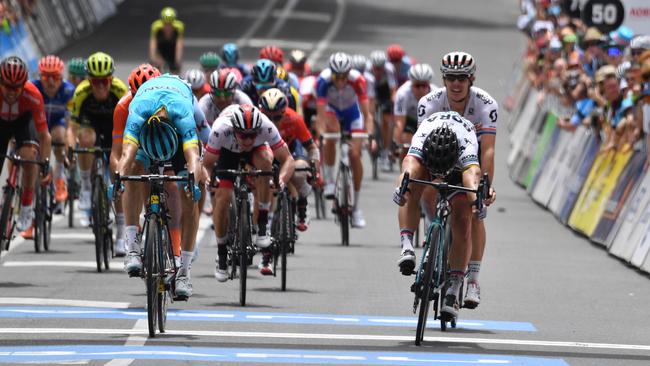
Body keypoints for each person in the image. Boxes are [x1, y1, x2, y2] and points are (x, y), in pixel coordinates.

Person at [416, 51, 497, 309]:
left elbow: (488, 150)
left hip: (470, 162)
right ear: (443, 79)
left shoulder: (485, 104)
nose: (456, 83)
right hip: (438, 157)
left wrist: (485, 187)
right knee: (427, 193)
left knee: (474, 213)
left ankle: (472, 279)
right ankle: (434, 230)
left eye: (461, 78)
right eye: (451, 78)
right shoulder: (429, 102)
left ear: (471, 79)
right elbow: (422, 146)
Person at [116, 74, 204, 298]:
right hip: (148, 132)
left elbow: (193, 155)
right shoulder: (137, 110)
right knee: (134, 167)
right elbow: (126, 154)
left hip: (175, 132)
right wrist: (118, 176)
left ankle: (184, 271)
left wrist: (193, 181)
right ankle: (133, 246)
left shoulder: (184, 112)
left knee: (189, 192)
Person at [393, 111, 487, 319]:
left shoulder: (466, 145)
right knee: (412, 187)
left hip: (458, 170)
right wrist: (401, 188)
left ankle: (454, 288)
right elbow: (408, 167)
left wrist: (477, 203)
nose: (439, 176)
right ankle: (407, 245)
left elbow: (472, 176)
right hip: (429, 157)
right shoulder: (422, 136)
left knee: (463, 219)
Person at [203, 104, 295, 279]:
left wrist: (281, 180)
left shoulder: (266, 126)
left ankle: (261, 227)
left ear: (258, 130)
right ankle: (222, 253)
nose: (247, 140)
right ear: (234, 129)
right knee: (222, 198)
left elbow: (288, 159)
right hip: (227, 152)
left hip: (257, 152)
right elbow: (206, 165)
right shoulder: (221, 128)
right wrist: (209, 180)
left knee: (267, 163)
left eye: (252, 135)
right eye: (243, 135)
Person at [66, 52, 127, 227]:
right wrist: (71, 148)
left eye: (104, 81)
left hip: (114, 128)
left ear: (111, 79)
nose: (100, 87)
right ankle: (85, 185)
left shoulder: (120, 90)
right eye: (95, 82)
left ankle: (122, 231)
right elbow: (72, 128)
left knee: (117, 178)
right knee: (85, 138)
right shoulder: (81, 92)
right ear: (89, 81)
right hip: (90, 125)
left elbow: (130, 125)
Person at [316, 52, 375, 228]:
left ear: (349, 73)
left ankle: (356, 208)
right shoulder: (323, 81)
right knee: (331, 133)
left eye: (344, 77)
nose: (341, 81)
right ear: (331, 72)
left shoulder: (358, 80)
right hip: (332, 111)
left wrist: (369, 136)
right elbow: (320, 117)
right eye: (337, 76)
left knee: (355, 155)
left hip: (352, 114)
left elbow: (367, 114)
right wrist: (321, 135)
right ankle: (329, 181)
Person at [110, 63, 162, 256]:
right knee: (133, 168)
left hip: (162, 141)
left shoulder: (169, 102)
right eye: (137, 97)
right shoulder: (123, 107)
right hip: (136, 143)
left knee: (171, 184)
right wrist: (118, 177)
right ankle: (131, 236)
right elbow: (117, 152)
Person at [0, 56, 52, 236]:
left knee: (30, 157)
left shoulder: (33, 94)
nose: (12, 92)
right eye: (8, 87)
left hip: (23, 122)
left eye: (17, 88)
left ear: (24, 84)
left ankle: (26, 206)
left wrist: (44, 163)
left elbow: (45, 136)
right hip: (1, 123)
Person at [259, 88, 320, 231]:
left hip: (292, 152)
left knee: (299, 172)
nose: (273, 122)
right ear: (262, 113)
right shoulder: (257, 120)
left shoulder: (295, 119)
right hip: (267, 153)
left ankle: (302, 205)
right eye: (269, 117)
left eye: (277, 118)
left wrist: (314, 168)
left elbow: (312, 148)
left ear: (284, 112)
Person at [31, 55, 76, 217]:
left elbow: (71, 123)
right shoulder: (33, 88)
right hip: (39, 124)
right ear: (39, 76)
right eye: (46, 77)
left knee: (58, 136)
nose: (50, 82)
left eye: (55, 78)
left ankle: (60, 179)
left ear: (61, 77)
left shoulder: (69, 91)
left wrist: (69, 145)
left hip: (57, 123)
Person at [393, 63, 436, 156]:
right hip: (410, 121)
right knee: (407, 144)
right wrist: (396, 143)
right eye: (417, 85)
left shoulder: (436, 94)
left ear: (429, 84)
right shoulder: (402, 93)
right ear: (411, 83)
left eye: (424, 85)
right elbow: (399, 123)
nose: (420, 89)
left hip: (429, 122)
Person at [368, 50, 397, 171]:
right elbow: (369, 96)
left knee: (387, 121)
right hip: (372, 91)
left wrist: (393, 103)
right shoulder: (367, 70)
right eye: (376, 68)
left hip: (384, 91)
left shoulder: (389, 69)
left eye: (380, 68)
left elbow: (393, 90)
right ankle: (373, 138)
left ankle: (385, 152)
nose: (378, 71)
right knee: (370, 113)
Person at [149, 6, 184, 73]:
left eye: (170, 24)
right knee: (154, 69)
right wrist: (153, 58)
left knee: (175, 70)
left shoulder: (179, 27)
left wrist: (177, 61)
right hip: (161, 50)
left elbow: (179, 45)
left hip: (172, 50)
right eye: (165, 24)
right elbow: (153, 44)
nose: (168, 27)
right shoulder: (156, 27)